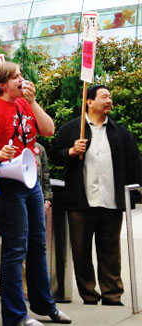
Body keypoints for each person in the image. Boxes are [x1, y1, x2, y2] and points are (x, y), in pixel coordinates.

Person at [0, 62, 70, 326]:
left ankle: (45, 305)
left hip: (30, 182)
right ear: (2, 85)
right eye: (16, 77)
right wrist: (0, 154)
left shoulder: (23, 104)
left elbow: (49, 129)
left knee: (37, 245)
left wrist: (34, 102)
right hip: (7, 185)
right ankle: (16, 316)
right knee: (15, 249)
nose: (22, 79)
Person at [50, 85, 142, 306]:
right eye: (104, 97)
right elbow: (54, 155)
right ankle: (89, 295)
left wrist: (135, 193)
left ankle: (112, 295)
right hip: (80, 201)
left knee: (111, 252)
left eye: (110, 97)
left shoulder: (121, 133)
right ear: (89, 102)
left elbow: (135, 165)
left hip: (112, 200)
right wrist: (71, 152)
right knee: (81, 253)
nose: (109, 100)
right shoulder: (72, 130)